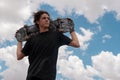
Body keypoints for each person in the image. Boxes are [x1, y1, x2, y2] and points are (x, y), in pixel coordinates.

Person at [16, 10, 80, 80]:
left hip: (49, 77)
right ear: (37, 22)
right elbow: (19, 56)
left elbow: (76, 44)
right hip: (32, 77)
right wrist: (20, 40)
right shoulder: (32, 39)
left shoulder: (56, 35)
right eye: (44, 18)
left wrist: (71, 30)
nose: (47, 20)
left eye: (48, 18)